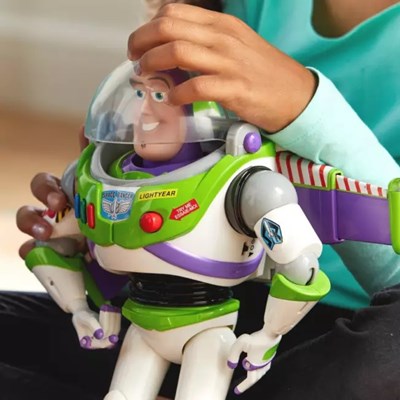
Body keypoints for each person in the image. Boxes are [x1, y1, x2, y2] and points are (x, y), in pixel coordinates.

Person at [13, 0, 400, 399]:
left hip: (353, 327)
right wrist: (100, 239)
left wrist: (306, 109)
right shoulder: (245, 6)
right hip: (195, 298)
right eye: (141, 96)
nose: (144, 113)